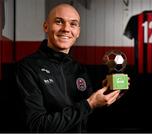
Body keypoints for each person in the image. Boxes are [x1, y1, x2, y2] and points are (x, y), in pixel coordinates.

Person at [15, 3, 124, 133]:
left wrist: (106, 95)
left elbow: (86, 117)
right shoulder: (27, 68)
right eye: (59, 21)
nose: (66, 29)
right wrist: (90, 104)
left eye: (73, 24)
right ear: (46, 26)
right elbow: (37, 126)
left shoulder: (79, 69)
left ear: (78, 32)